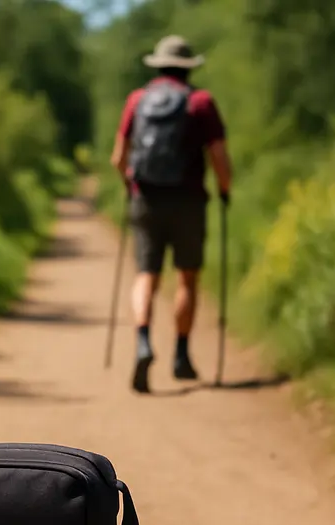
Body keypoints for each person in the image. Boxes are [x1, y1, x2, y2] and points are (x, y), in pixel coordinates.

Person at [109, 35, 233, 394]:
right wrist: (225, 190)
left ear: (158, 66)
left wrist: (129, 186)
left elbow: (119, 158)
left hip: (145, 198)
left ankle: (144, 342)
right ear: (187, 68)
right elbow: (220, 159)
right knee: (186, 278)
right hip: (189, 200)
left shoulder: (137, 100)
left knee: (146, 275)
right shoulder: (201, 102)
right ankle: (181, 354)